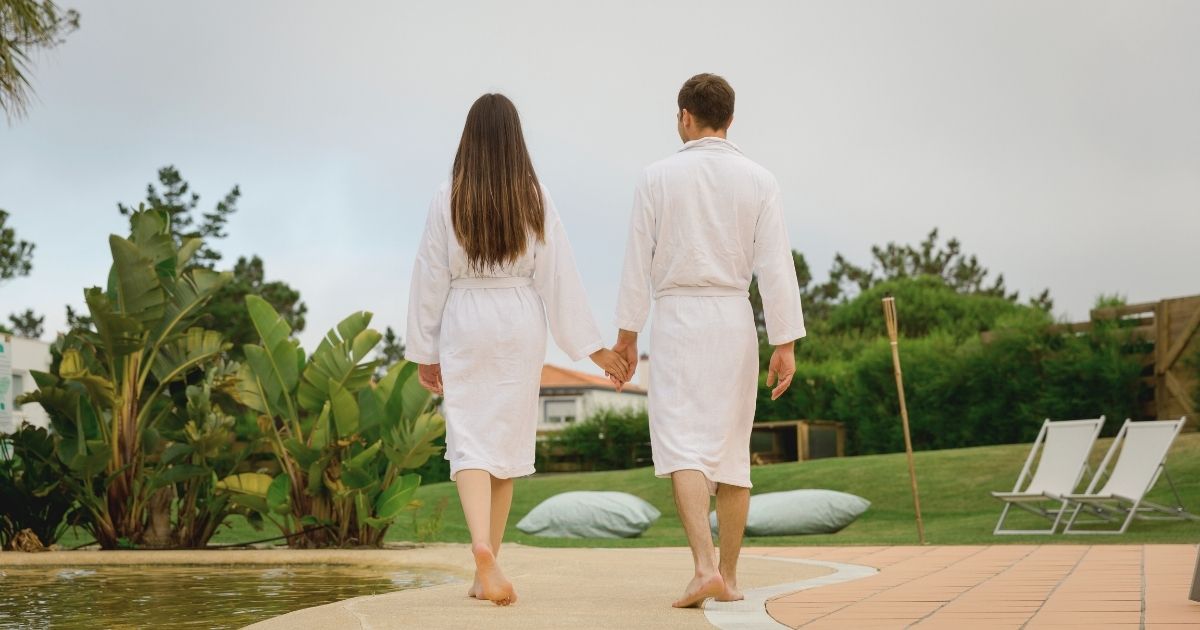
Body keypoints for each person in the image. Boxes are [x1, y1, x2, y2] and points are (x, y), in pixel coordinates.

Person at [406, 93, 630, 607]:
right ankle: (490, 563)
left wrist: (425, 348)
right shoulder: (535, 195)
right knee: (505, 444)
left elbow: (429, 275)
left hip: (466, 319)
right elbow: (559, 274)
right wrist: (593, 349)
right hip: (519, 321)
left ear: (470, 137)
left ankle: (482, 551)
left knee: (468, 438)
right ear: (514, 138)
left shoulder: (448, 196)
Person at [612, 73, 805, 608]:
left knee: (682, 443)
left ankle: (702, 568)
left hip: (677, 318)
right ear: (730, 120)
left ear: (684, 116)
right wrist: (784, 343)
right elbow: (776, 265)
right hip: (734, 319)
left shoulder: (655, 177)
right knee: (731, 450)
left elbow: (636, 262)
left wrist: (627, 336)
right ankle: (731, 577)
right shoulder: (760, 179)